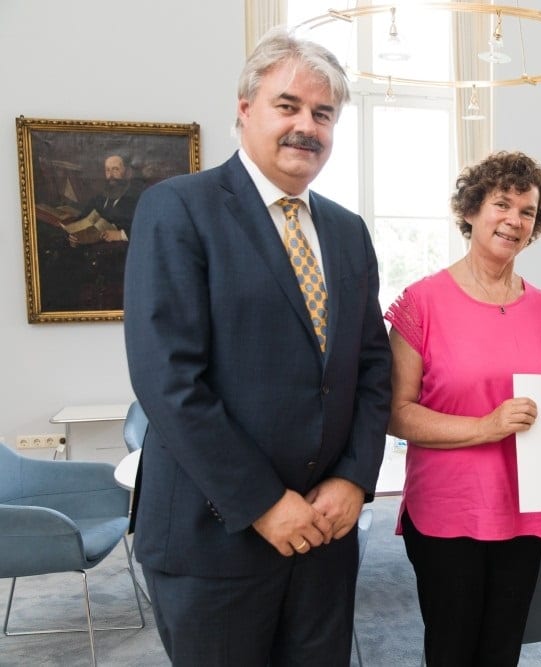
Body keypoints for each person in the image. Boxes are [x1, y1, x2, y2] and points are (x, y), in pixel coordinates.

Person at [122, 27, 392, 665]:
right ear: (244, 110)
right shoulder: (177, 209)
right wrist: (266, 505)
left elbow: (373, 369)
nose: (307, 126)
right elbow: (168, 382)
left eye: (323, 114)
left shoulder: (347, 231)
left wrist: (354, 479)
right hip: (213, 535)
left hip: (325, 535)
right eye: (288, 106)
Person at [386, 151, 541, 666]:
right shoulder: (421, 303)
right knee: (452, 649)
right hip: (448, 510)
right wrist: (484, 426)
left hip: (525, 508)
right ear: (470, 210)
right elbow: (395, 412)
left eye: (527, 212)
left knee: (503, 649)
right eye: (501, 204)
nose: (514, 220)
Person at [68, 153, 142, 245]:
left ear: (128, 173)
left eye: (115, 169)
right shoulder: (100, 197)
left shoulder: (138, 198)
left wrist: (121, 235)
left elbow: (146, 230)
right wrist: (74, 235)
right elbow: (82, 219)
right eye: (107, 170)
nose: (110, 175)